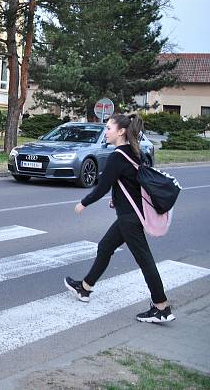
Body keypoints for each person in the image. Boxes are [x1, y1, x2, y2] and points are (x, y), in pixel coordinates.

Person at [64, 113, 174, 323]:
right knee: (105, 247)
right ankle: (85, 288)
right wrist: (117, 199)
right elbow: (131, 183)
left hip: (129, 219)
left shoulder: (118, 156)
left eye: (108, 128)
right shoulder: (134, 152)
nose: (105, 132)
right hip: (129, 214)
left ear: (121, 131)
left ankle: (162, 307)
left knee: (145, 260)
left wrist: (83, 203)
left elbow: (102, 186)